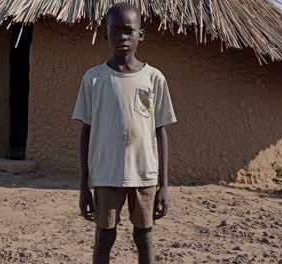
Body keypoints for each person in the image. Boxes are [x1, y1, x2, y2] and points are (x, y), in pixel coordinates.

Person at [71, 2, 177, 264]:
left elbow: (160, 132)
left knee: (144, 237)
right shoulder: (94, 79)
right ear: (106, 34)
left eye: (129, 30)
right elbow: (86, 132)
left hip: (145, 176)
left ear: (141, 34)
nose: (122, 37)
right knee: (104, 237)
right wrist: (84, 185)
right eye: (115, 30)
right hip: (106, 175)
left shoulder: (154, 79)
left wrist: (164, 185)